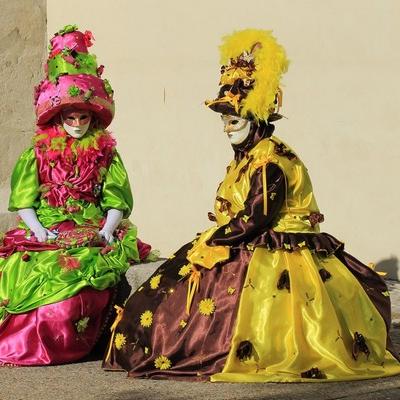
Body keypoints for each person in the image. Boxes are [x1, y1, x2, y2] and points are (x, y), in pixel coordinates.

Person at [103, 29, 400, 382]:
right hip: (244, 237)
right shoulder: (251, 155)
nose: (226, 129)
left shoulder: (269, 162)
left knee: (230, 315)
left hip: (273, 253)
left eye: (235, 121)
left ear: (256, 120)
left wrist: (214, 241)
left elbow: (255, 219)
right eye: (224, 121)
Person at [0, 25, 152, 366]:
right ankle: (20, 342)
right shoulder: (36, 153)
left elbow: (116, 199)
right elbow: (24, 198)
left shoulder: (107, 153)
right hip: (49, 227)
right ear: (59, 116)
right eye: (72, 117)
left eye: (84, 116)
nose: (78, 123)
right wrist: (37, 229)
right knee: (25, 269)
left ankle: (64, 343)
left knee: (78, 271)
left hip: (90, 226)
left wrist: (108, 230)